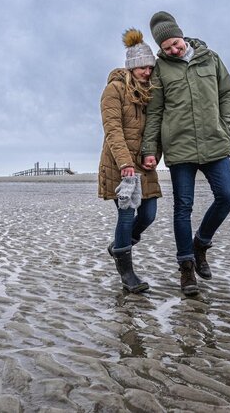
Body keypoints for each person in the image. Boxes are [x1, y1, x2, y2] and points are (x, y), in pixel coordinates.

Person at [142, 11, 230, 296]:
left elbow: (227, 94)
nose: (173, 49)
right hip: (180, 147)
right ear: (160, 49)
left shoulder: (211, 58)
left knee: (227, 196)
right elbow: (155, 112)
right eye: (166, 47)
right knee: (183, 208)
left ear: (182, 36)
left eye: (175, 43)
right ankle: (186, 269)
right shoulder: (161, 70)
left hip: (214, 142)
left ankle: (201, 244)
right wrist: (149, 149)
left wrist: (227, 126)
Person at [99, 28, 162, 293]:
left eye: (150, 67)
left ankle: (118, 246)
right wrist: (125, 164)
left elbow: (155, 129)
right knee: (126, 216)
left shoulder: (152, 92)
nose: (147, 72)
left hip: (143, 164)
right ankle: (127, 274)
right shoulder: (114, 90)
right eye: (142, 68)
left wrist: (153, 157)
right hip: (119, 164)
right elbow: (112, 129)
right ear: (131, 66)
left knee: (148, 214)